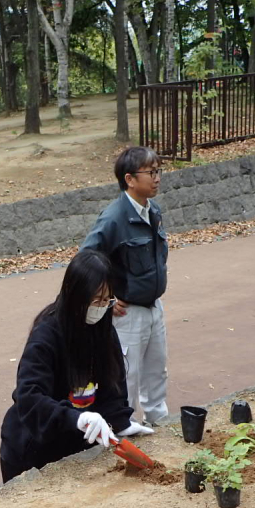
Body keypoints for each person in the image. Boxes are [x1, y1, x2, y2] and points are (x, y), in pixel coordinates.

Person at [0, 249, 151, 482]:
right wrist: (76, 418)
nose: (101, 307)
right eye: (95, 300)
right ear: (76, 295)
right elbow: (30, 398)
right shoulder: (46, 335)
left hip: (73, 446)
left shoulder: (103, 328)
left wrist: (121, 422)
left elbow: (113, 383)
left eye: (107, 300)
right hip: (32, 449)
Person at [81, 145, 169, 426]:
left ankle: (159, 421)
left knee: (157, 371)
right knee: (127, 376)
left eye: (158, 171)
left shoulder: (152, 210)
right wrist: (105, 299)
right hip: (128, 313)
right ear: (130, 179)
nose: (157, 178)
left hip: (154, 305)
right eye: (151, 172)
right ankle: (123, 427)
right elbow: (86, 260)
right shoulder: (113, 218)